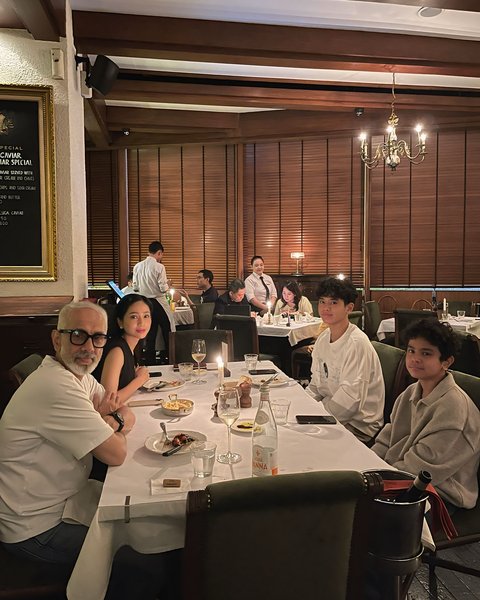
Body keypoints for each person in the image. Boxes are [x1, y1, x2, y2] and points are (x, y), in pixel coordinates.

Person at [0, 301, 135, 567]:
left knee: (139, 524)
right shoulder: (55, 385)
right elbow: (116, 453)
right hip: (34, 526)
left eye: (97, 338)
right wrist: (112, 423)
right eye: (77, 335)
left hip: (65, 501)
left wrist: (111, 421)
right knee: (137, 558)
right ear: (56, 338)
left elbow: (124, 410)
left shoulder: (77, 374)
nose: (88, 347)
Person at [372, 319, 480, 509]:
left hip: (440, 493)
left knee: (364, 518)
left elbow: (422, 469)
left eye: (426, 353)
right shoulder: (411, 392)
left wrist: (377, 480)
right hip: (402, 476)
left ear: (446, 362)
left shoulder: (453, 408)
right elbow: (386, 439)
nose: (415, 358)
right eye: (411, 350)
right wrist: (368, 466)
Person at [305, 276, 384, 443]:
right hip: (330, 415)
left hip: (358, 427)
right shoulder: (323, 339)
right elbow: (315, 385)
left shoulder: (356, 343)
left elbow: (350, 402)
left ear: (349, 308)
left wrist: (315, 418)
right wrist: (302, 408)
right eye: (322, 302)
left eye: (333, 303)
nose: (326, 308)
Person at [93, 294, 152, 404]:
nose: (142, 323)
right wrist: (139, 380)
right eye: (134, 317)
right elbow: (108, 402)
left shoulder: (131, 346)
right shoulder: (117, 351)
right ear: (120, 322)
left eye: (146, 316)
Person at [132, 241, 174, 363]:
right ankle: (170, 358)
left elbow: (135, 288)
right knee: (168, 331)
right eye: (161, 255)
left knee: (150, 333)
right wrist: (168, 285)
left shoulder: (137, 266)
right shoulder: (159, 267)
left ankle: (149, 361)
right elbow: (163, 289)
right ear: (159, 253)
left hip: (144, 302)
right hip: (158, 302)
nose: (161, 258)